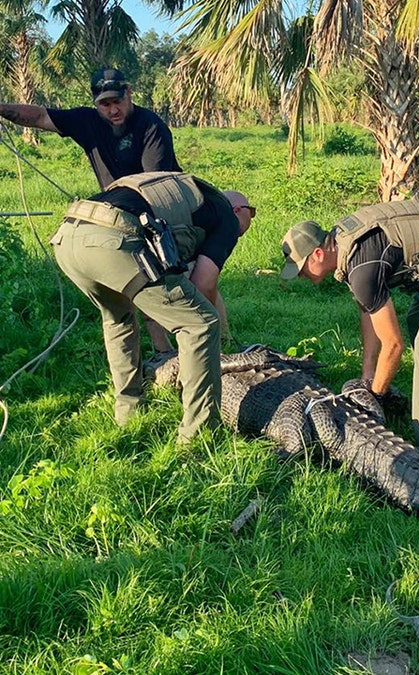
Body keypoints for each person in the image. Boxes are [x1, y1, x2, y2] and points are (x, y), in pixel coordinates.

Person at [279, 199, 419, 457]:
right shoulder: (346, 245)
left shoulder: (360, 268)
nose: (301, 275)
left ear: (318, 254)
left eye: (301, 267)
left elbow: (394, 345)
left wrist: (375, 396)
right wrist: (367, 377)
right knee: (417, 320)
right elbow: (368, 311)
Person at [48, 171, 250, 443]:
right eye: (246, 224)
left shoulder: (185, 193)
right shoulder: (225, 216)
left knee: (117, 318)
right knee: (200, 324)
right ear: (238, 210)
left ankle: (128, 413)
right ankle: (199, 434)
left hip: (69, 237)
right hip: (113, 239)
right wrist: (209, 336)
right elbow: (204, 283)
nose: (238, 236)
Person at [0, 67, 181, 190]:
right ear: (95, 102)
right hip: (116, 204)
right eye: (105, 104)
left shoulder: (151, 126)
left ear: (129, 92)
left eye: (118, 101)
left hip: (162, 201)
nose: (113, 110)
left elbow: (154, 185)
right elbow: (40, 116)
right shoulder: (87, 121)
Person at [145, 191, 256, 353]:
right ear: (237, 210)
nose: (252, 217)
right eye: (251, 211)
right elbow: (204, 284)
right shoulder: (228, 218)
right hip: (159, 242)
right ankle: (206, 344)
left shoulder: (203, 211)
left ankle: (164, 351)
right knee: (198, 284)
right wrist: (208, 325)